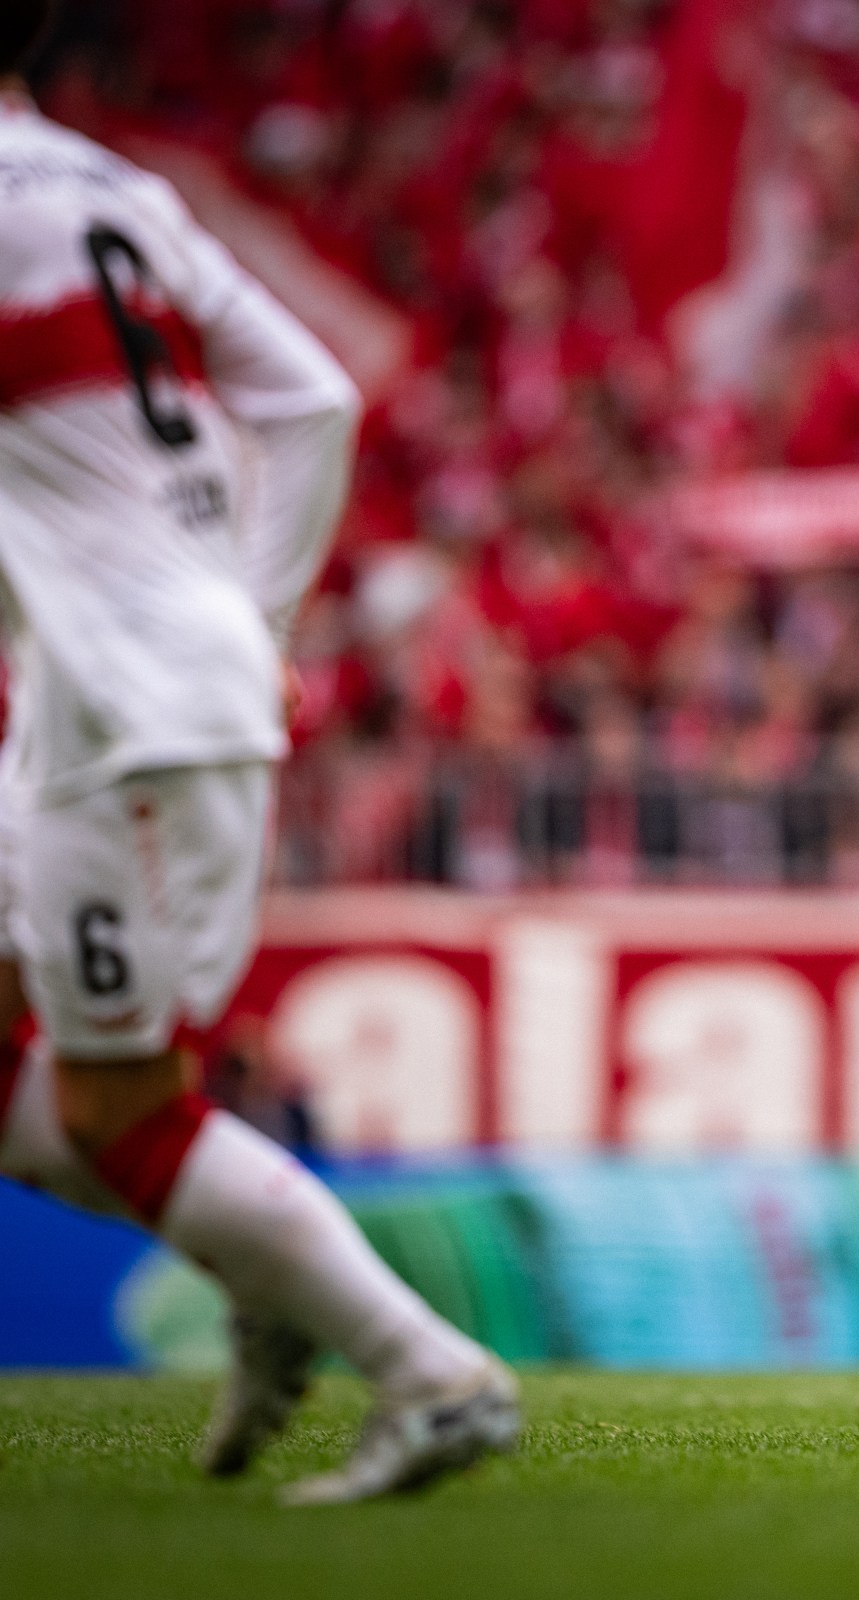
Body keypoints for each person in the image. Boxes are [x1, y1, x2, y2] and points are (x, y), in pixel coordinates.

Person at [0, 1, 517, 1502]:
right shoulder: (119, 191)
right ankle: (273, 1280)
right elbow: (312, 394)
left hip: (132, 710)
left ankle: (432, 1374)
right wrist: (255, 609)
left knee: (122, 1105)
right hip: (109, 687)